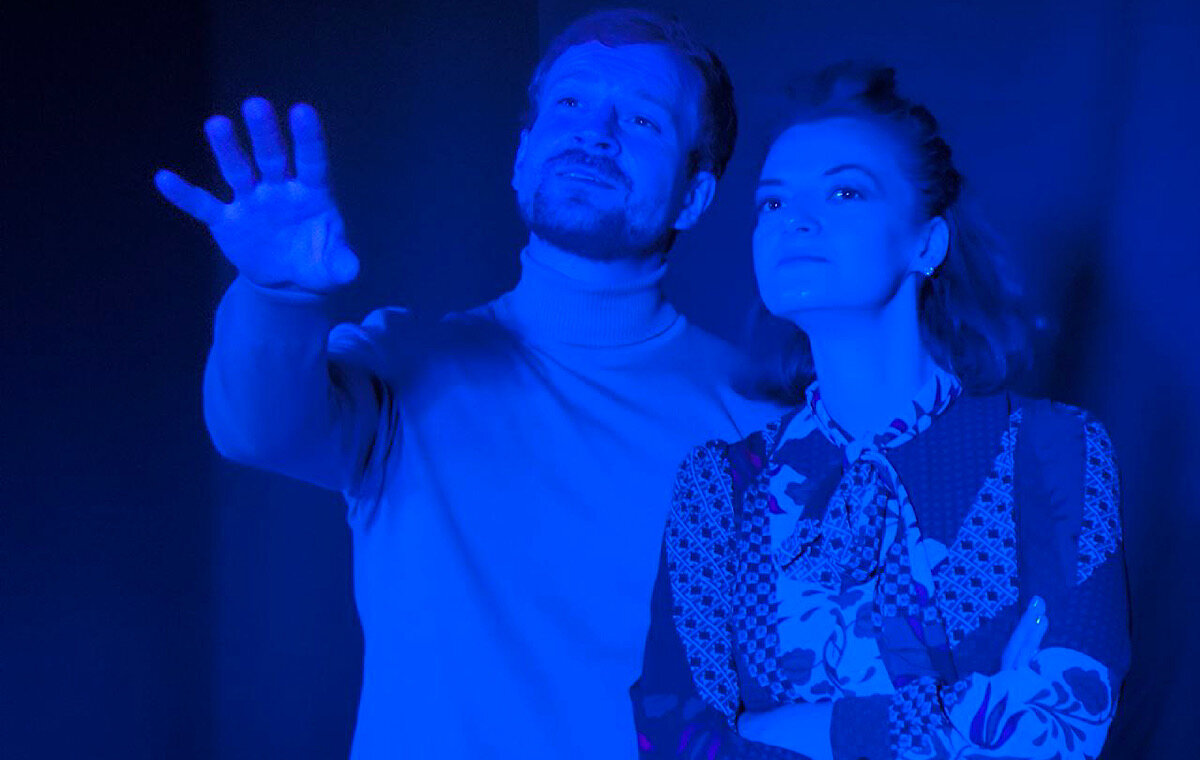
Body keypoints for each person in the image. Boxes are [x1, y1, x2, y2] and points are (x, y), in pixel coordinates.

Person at [155, 8, 780, 759]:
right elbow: (258, 430)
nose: (595, 132)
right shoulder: (401, 360)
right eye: (571, 103)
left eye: (643, 120)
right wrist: (276, 295)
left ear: (693, 196)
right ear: (522, 155)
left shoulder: (760, 417)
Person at [631, 63, 1130, 759]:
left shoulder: (1056, 452)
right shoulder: (718, 488)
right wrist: (972, 714)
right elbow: (674, 739)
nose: (795, 220)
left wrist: (791, 728)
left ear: (926, 242)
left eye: (845, 191)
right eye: (771, 203)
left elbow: (1068, 718)